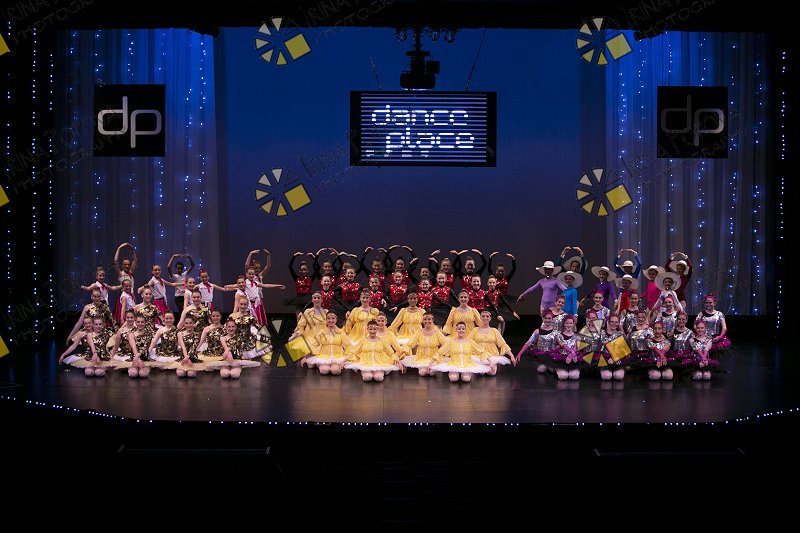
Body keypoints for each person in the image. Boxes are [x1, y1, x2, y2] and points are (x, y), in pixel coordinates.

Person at [430, 322, 494, 383]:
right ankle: (454, 374)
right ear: (456, 330)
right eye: (459, 329)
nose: (461, 330)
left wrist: (490, 362)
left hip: (467, 364)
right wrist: (430, 363)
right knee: (453, 378)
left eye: (463, 329)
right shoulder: (451, 341)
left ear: (465, 330)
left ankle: (465, 374)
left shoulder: (470, 341)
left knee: (466, 379)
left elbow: (481, 350)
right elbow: (440, 352)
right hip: (454, 364)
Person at [468, 310, 516, 374]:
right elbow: (467, 343)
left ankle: (487, 366)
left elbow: (502, 344)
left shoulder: (494, 331)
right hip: (477, 355)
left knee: (492, 372)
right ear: (480, 318)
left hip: (491, 355)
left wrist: (511, 356)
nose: (485, 318)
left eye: (487, 316)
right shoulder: (475, 330)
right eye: (483, 316)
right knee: (478, 372)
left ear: (490, 318)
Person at [126, 314, 154, 379]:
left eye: (142, 322)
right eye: (138, 322)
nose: (140, 324)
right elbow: (133, 347)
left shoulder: (148, 334)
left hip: (145, 358)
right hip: (134, 358)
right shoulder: (131, 334)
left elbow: (145, 347)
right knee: (133, 374)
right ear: (135, 322)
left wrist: (138, 357)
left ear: (145, 323)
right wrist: (138, 359)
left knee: (142, 374)